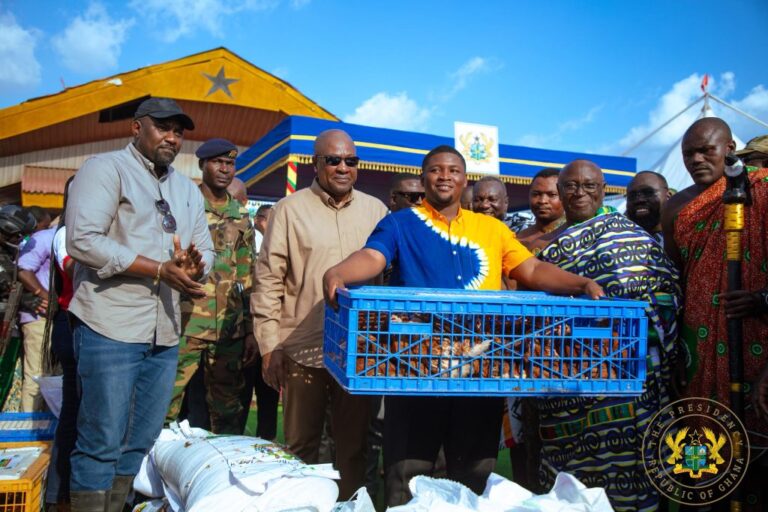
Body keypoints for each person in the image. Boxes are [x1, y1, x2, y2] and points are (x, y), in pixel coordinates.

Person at [322, 145, 603, 506]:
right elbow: (373, 256)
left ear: (464, 179)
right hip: (416, 370)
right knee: (406, 479)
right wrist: (339, 272)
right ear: (424, 178)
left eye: (453, 170)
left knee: (472, 480)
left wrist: (580, 283)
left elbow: (530, 269)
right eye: (436, 170)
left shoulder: (492, 229)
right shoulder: (400, 223)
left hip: (480, 372)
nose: (444, 176)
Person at [65, 97, 214, 511]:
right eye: (163, 127)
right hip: (109, 325)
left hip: (164, 332)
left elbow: (205, 248)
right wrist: (158, 269)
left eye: (178, 132)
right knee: (101, 441)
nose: (172, 138)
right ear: (136, 128)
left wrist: (195, 266)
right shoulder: (105, 169)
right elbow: (83, 240)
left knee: (139, 441)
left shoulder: (187, 190)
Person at [535, 159, 680, 511]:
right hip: (567, 384)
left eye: (589, 186)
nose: (579, 193)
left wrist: (628, 321)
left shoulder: (634, 236)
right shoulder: (546, 248)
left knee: (632, 474)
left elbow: (667, 296)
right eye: (571, 186)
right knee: (571, 480)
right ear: (560, 192)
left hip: (629, 377)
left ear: (602, 191)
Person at [252, 129, 388, 499]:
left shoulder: (377, 211)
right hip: (302, 350)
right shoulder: (288, 210)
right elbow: (268, 280)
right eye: (334, 160)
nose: (343, 167)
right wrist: (270, 346)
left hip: (359, 352)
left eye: (351, 161)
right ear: (317, 163)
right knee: (301, 447)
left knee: (353, 448)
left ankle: (349, 505)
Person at [661, 118, 768, 508]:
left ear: (730, 148)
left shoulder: (762, 189)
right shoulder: (676, 207)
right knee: (703, 452)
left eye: (706, 150)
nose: (696, 159)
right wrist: (676, 351)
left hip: (756, 341)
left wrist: (763, 299)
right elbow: (673, 282)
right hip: (698, 347)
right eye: (688, 153)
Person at [165, 138, 257, 435]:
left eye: (230, 163)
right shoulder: (183, 205)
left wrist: (251, 329)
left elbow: (248, 275)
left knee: (228, 409)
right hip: (186, 322)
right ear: (202, 164)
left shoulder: (240, 214)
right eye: (218, 162)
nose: (225, 169)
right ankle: (150, 459)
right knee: (166, 401)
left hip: (229, 328)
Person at [17, 223, 55, 411]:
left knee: (55, 377)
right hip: (39, 318)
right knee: (37, 376)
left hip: (63, 318)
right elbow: (23, 269)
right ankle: (27, 424)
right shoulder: (44, 238)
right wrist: (44, 295)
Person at [516, 168, 565, 255]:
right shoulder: (518, 239)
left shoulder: (575, 233)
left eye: (552, 195)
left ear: (564, 197)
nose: (542, 201)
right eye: (536, 194)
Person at [625, 171, 671, 243]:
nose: (639, 200)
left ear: (668, 196)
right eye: (632, 195)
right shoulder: (617, 241)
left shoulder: (683, 236)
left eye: (648, 193)